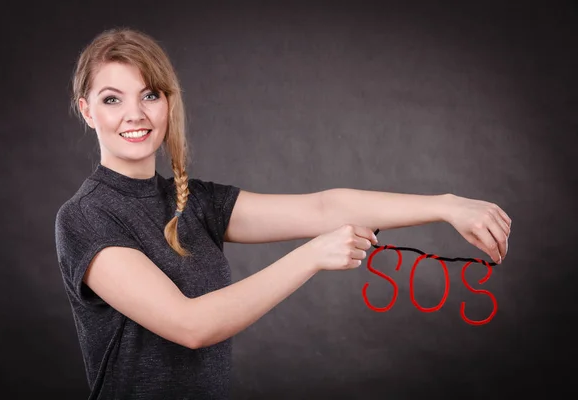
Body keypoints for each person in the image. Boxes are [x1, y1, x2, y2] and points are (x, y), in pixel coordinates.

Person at [54, 27, 512, 400]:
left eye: (149, 95)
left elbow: (324, 207)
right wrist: (312, 256)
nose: (135, 113)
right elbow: (190, 325)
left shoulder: (195, 202)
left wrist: (446, 206)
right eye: (112, 99)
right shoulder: (85, 217)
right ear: (87, 111)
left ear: (168, 103)